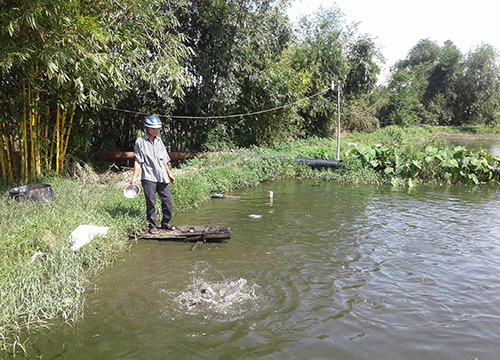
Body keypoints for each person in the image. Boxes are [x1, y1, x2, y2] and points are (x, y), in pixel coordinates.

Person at [130, 115, 175, 234]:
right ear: (147, 128)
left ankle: (165, 223)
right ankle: (152, 225)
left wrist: (169, 174)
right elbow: (138, 161)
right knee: (151, 202)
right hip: (149, 176)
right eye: (153, 128)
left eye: (157, 128)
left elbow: (164, 160)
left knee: (168, 201)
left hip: (162, 176)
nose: (156, 130)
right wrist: (134, 178)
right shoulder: (140, 142)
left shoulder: (159, 141)